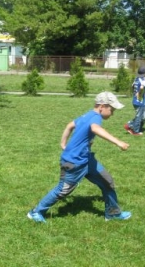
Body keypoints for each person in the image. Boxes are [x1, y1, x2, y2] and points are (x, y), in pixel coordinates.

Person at [27, 92, 131, 223]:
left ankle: (113, 213)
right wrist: (118, 142)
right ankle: (36, 212)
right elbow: (95, 128)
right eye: (112, 110)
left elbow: (69, 125)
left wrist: (63, 143)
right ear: (102, 106)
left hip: (87, 160)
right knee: (63, 190)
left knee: (107, 182)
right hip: (74, 163)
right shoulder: (95, 118)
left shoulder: (86, 115)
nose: (112, 113)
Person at [124, 65, 145, 136]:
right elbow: (141, 89)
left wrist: (135, 94)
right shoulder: (143, 80)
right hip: (139, 101)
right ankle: (135, 131)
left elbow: (132, 87)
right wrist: (140, 95)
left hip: (135, 100)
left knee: (142, 117)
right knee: (139, 117)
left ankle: (130, 125)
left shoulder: (136, 79)